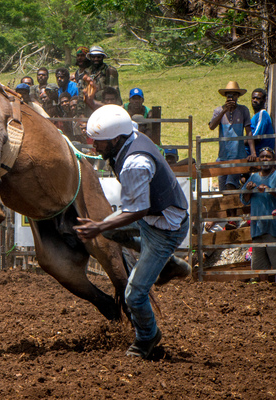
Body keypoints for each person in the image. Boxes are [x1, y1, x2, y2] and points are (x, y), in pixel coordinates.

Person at [74, 105, 190, 359]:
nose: (95, 147)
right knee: (110, 231)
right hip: (153, 217)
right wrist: (104, 226)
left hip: (164, 227)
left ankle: (148, 337)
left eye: (99, 143)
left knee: (134, 295)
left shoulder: (135, 163)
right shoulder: (130, 134)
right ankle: (167, 265)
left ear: (115, 139)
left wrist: (98, 226)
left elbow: (138, 211)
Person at [209, 81, 256, 230]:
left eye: (234, 95)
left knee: (231, 184)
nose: (231, 98)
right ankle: (230, 219)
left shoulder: (243, 110)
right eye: (229, 95)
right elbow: (211, 126)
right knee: (224, 190)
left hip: (237, 154)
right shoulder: (219, 110)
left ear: (237, 96)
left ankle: (233, 220)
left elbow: (249, 131)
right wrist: (223, 111)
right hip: (223, 156)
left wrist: (253, 151)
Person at [240, 147, 276, 283]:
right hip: (258, 229)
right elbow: (243, 200)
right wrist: (248, 190)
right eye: (262, 157)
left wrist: (270, 190)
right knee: (260, 267)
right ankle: (264, 295)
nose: (265, 159)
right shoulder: (254, 177)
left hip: (275, 228)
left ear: (273, 160)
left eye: (268, 157)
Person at [249, 88, 275, 156]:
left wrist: (239, 141)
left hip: (260, 155)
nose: (255, 100)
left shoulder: (262, 114)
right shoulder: (255, 116)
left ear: (264, 100)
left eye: (258, 98)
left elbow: (256, 138)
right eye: (253, 98)